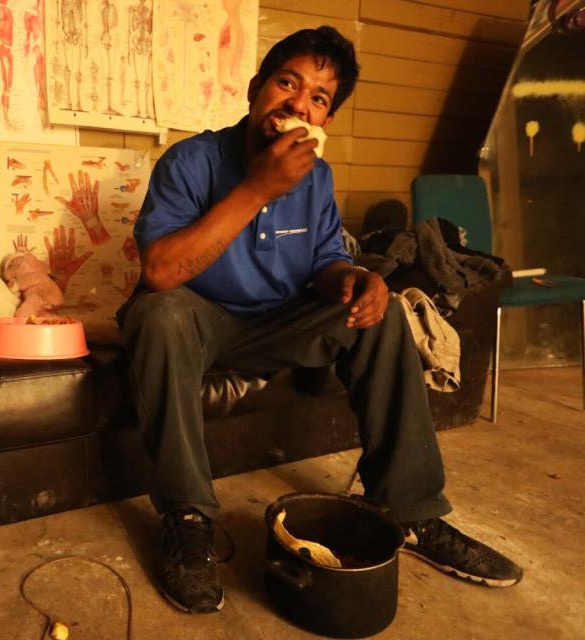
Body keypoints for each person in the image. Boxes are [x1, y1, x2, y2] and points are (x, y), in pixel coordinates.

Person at [117, 25, 523, 614]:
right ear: (256, 88)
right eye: (287, 83)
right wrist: (258, 188)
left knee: (381, 316)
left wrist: (358, 281)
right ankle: (187, 520)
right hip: (196, 323)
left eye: (318, 98)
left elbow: (326, 261)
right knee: (158, 314)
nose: (297, 104)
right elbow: (160, 270)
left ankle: (410, 512)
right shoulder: (192, 160)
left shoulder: (319, 179)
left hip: (277, 322)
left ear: (325, 120)